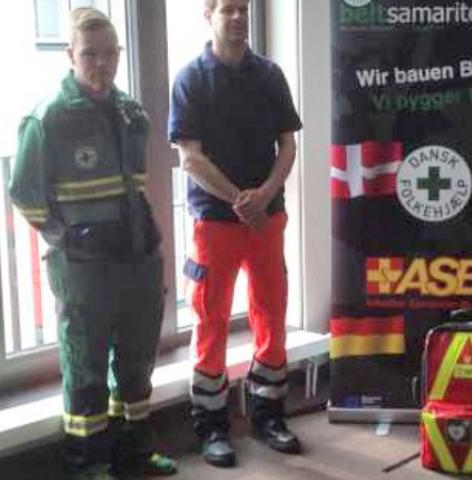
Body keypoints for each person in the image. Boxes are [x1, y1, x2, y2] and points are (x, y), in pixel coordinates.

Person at [9, 7, 177, 480]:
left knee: (137, 361)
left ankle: (133, 453)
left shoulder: (132, 113)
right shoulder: (48, 118)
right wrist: (68, 239)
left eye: (109, 53)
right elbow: (24, 194)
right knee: (85, 367)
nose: (101, 63)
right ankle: (89, 463)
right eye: (89, 54)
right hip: (83, 269)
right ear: (70, 55)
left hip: (136, 260)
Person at [168, 0, 303, 467]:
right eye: (228, 9)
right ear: (209, 15)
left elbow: (288, 145)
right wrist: (240, 200)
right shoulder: (190, 79)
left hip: (267, 218)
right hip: (215, 221)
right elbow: (190, 158)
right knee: (211, 318)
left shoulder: (270, 76)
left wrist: (264, 196)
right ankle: (211, 426)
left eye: (244, 8)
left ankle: (269, 416)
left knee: (272, 311)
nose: (239, 17)